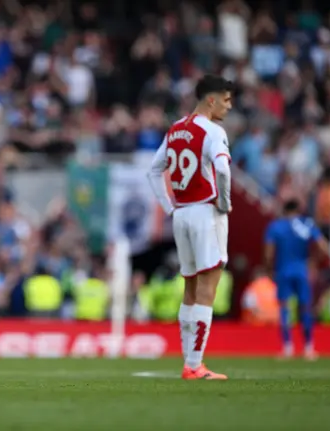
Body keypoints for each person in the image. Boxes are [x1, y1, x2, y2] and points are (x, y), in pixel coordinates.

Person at [147, 74, 234, 380]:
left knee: (190, 288)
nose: (229, 105)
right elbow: (222, 168)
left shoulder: (176, 129)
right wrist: (225, 202)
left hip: (182, 214)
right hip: (206, 211)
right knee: (208, 287)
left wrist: (169, 207)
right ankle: (195, 365)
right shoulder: (212, 131)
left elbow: (154, 171)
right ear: (211, 100)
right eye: (226, 99)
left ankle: (189, 361)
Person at [264, 198, 330, 360]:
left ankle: (288, 347)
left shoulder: (276, 226)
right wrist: (313, 262)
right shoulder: (306, 224)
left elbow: (268, 252)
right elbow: (323, 247)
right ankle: (309, 347)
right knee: (305, 307)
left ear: (284, 210)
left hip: (283, 270)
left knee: (285, 308)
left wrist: (269, 269)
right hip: (302, 270)